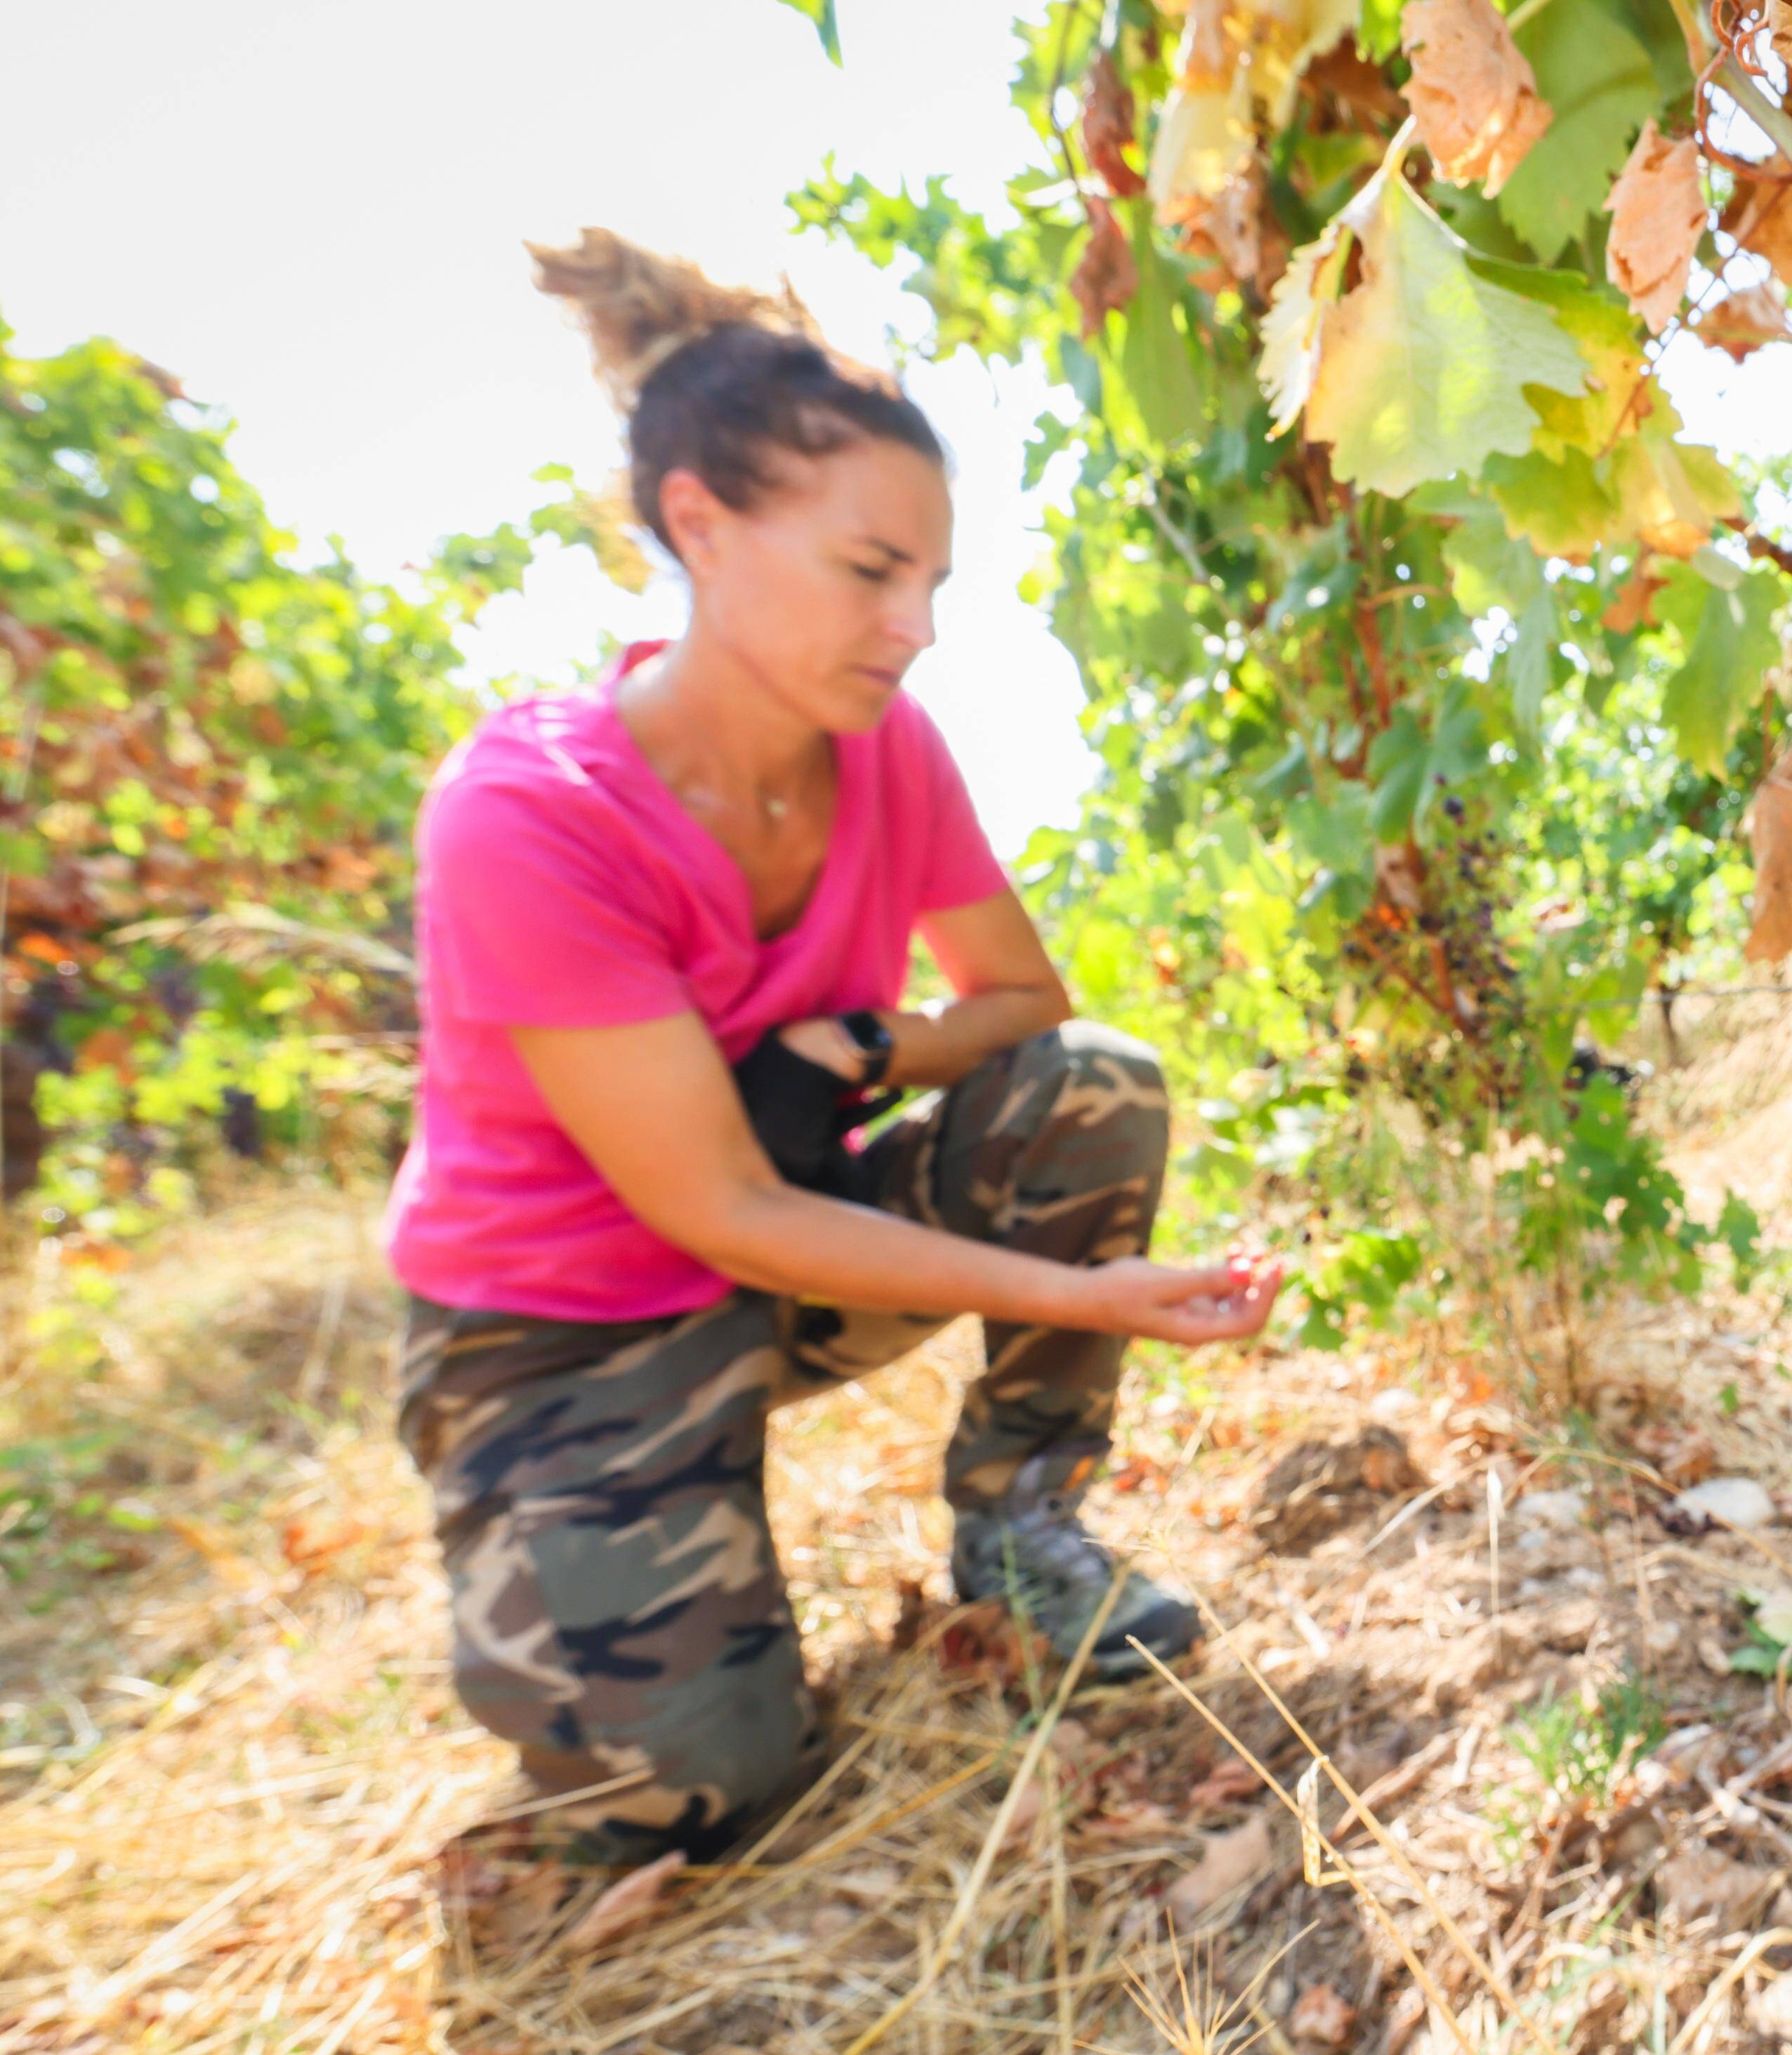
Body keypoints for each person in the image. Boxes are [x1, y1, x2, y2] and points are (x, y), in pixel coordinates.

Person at [385, 230, 1277, 1866]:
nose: (918, 625)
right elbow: (715, 1203)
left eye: (934, 582)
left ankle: (1021, 1524)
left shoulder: (887, 750)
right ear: (700, 527)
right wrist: (1087, 1296)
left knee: (1090, 1083)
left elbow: (1020, 997)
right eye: (874, 572)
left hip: (775, 1246)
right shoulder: (528, 818)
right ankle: (568, 1547)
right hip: (562, 1338)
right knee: (700, 1796)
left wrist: (876, 1042)